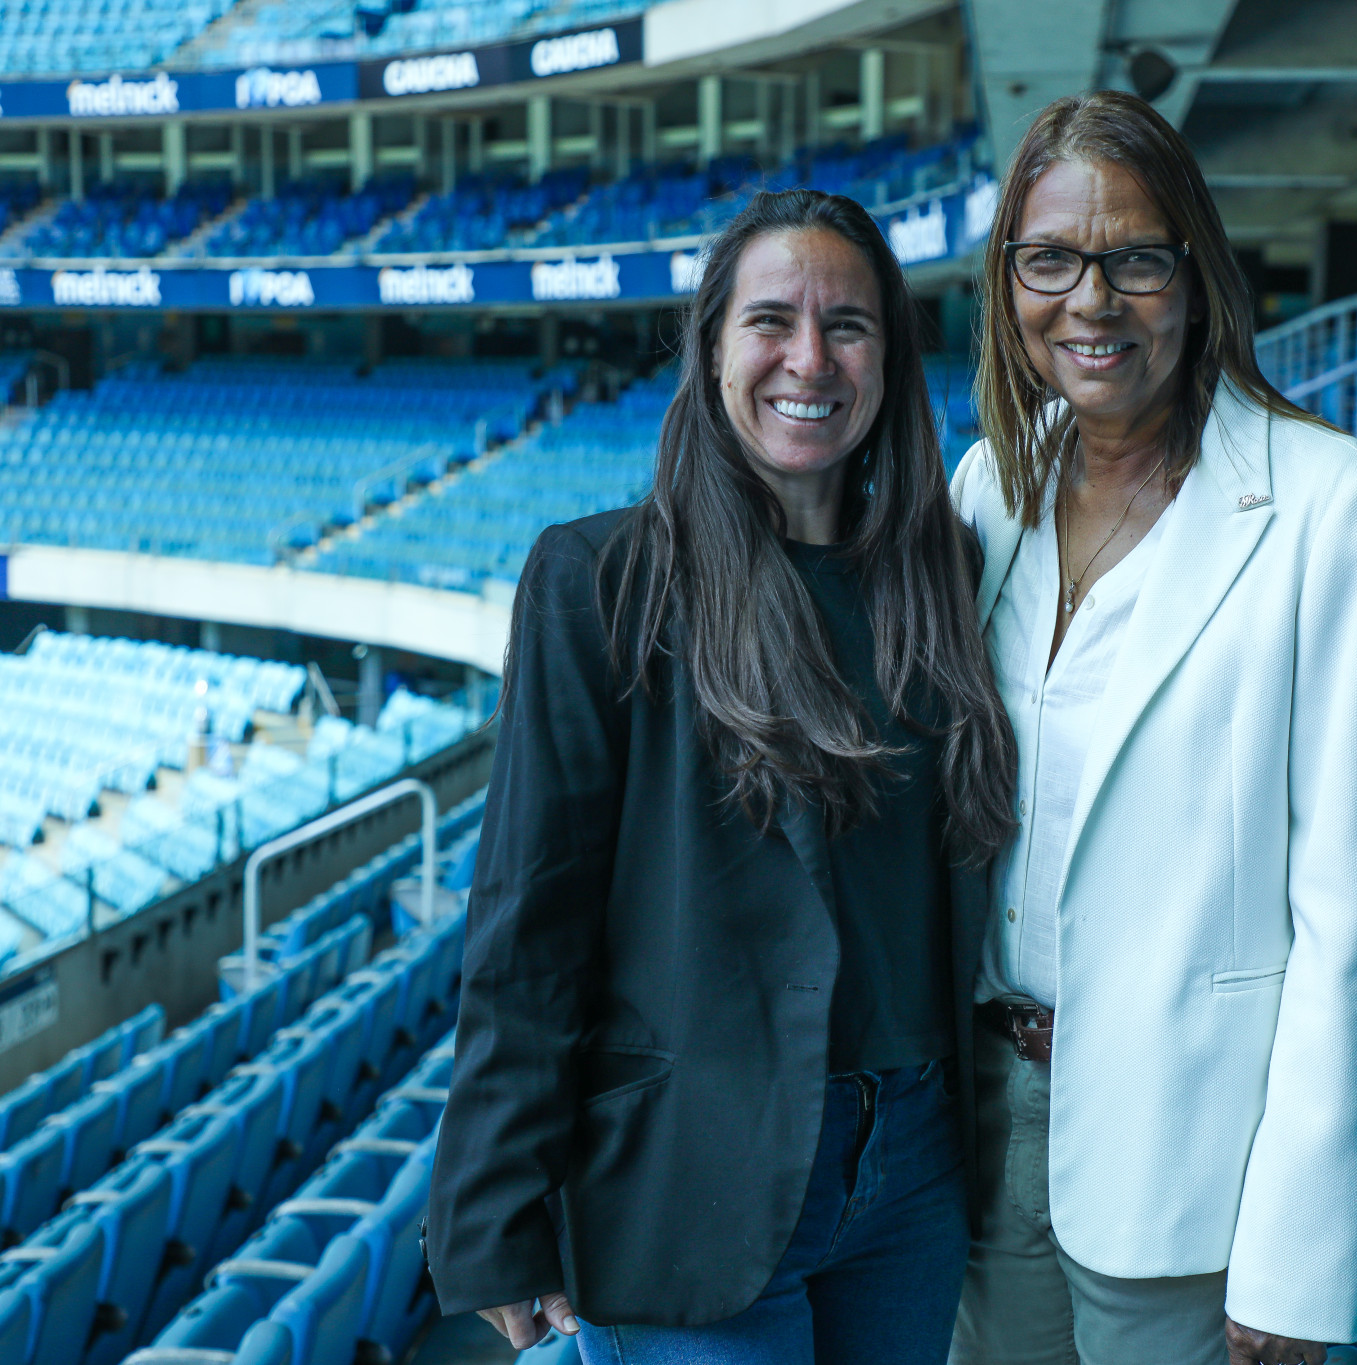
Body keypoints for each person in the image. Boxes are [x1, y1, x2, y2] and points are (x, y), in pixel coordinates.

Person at [425, 188, 1018, 1365]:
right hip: (692, 1168)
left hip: (910, 1170)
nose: (810, 358)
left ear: (890, 361)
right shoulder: (599, 580)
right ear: (709, 348)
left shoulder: (945, 572)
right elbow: (527, 918)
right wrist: (498, 1210)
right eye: (770, 322)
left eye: (847, 326)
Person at [947, 91, 1357, 1365]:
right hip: (992, 1118)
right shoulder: (988, 484)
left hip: (1190, 1162)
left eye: (1135, 260)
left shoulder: (1334, 512)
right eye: (1048, 260)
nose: (1088, 302)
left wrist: (1297, 1250)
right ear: (1007, 282)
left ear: (1197, 274)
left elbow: (1351, 920)